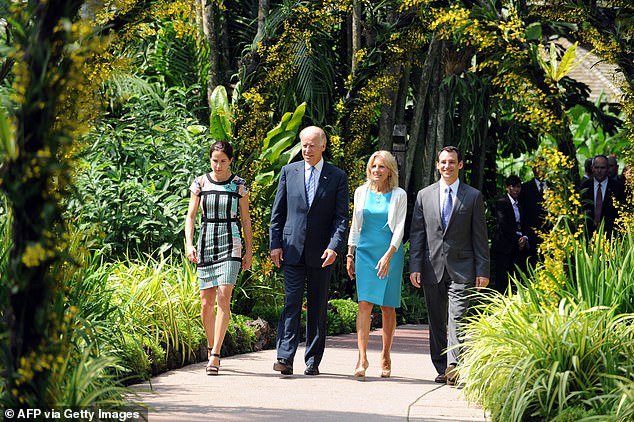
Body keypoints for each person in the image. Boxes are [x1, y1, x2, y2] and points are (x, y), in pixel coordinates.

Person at [269, 126, 349, 376]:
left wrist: (334, 247)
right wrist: (275, 244)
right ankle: (284, 357)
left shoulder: (336, 176)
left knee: (317, 307)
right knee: (291, 303)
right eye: (304, 145)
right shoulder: (288, 172)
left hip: (321, 253)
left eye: (312, 145)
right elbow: (278, 213)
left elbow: (341, 218)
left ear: (323, 146)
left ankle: (313, 360)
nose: (307, 150)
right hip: (292, 250)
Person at [409, 146, 489, 386]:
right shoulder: (424, 195)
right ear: (437, 165)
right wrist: (415, 266)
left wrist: (482, 270)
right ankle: (442, 367)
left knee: (457, 316)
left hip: (462, 268)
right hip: (431, 267)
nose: (447, 166)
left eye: (452, 162)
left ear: (460, 165)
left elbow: (479, 236)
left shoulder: (472, 196)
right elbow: (417, 234)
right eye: (443, 162)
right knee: (435, 320)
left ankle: (455, 364)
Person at [185, 141, 253, 375]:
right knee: (206, 303)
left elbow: (245, 220)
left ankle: (215, 355)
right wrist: (189, 244)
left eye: (223, 161)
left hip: (231, 243)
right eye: (215, 160)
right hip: (206, 242)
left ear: (230, 161)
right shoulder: (200, 182)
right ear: (210, 159)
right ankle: (210, 345)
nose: (218, 165)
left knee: (224, 298)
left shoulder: (239, 185)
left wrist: (249, 250)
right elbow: (191, 216)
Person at [346, 151, 406, 379]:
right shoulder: (361, 192)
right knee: (364, 303)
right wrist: (350, 253)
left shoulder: (399, 195)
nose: (376, 171)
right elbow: (355, 224)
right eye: (373, 166)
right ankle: (361, 357)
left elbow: (399, 227)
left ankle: (385, 354)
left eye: (381, 167)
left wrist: (389, 255)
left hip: (390, 251)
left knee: (387, 307)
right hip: (365, 251)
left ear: (390, 170)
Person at [490, 175, 529, 294]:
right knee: (502, 280)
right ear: (508, 188)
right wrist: (518, 239)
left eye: (518, 187)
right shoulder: (501, 202)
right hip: (504, 246)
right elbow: (504, 225)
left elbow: (526, 222)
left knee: (516, 278)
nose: (516, 190)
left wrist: (525, 237)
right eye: (513, 187)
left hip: (518, 247)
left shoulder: (521, 202)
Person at [579, 154, 624, 238]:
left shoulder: (618, 187)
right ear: (592, 168)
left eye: (602, 168)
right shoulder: (584, 186)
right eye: (596, 167)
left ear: (607, 169)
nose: (599, 171)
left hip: (611, 235)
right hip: (588, 233)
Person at [519, 159, 549, 265]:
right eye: (538, 167)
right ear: (533, 169)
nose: (541, 170)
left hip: (551, 233)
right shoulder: (525, 188)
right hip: (532, 235)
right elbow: (522, 213)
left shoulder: (554, 187)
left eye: (543, 167)